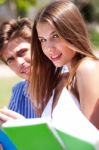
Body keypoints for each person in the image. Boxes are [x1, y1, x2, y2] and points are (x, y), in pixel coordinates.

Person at [29, 0, 99, 129]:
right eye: (42, 40)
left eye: (55, 36)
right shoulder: (60, 78)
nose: (48, 47)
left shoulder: (87, 68)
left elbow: (92, 141)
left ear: (71, 32)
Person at [0, 17, 37, 120]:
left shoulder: (66, 81)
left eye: (22, 52)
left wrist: (24, 128)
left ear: (37, 45)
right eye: (10, 60)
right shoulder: (18, 91)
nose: (19, 63)